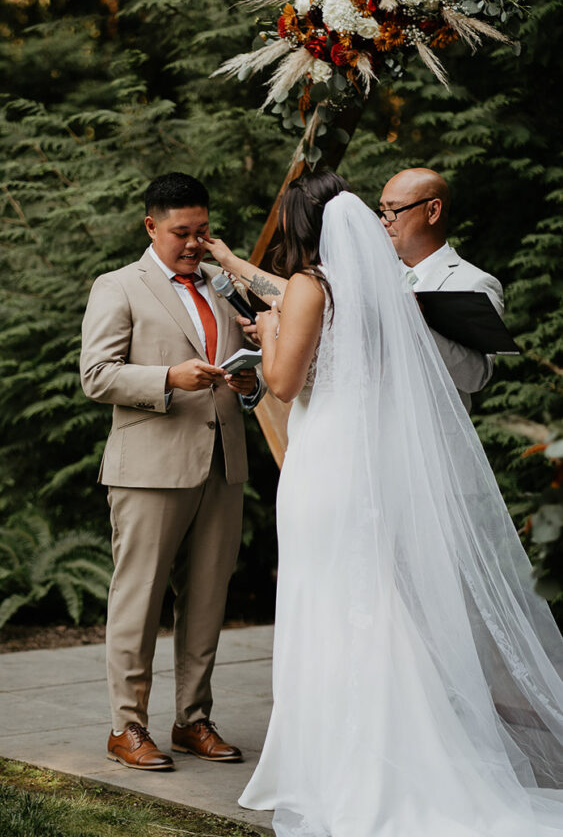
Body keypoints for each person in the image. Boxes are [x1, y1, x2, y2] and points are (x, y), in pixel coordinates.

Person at [211, 168, 563, 837]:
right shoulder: (362, 291)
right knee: (370, 609)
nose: (384, 223)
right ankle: (388, 753)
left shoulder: (317, 288)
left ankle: (346, 763)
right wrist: (255, 289)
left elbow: (284, 383)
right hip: (359, 461)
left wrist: (272, 332)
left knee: (334, 604)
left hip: (329, 463)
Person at [80, 172, 263, 771]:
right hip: (149, 468)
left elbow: (256, 368)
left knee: (208, 599)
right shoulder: (117, 285)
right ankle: (126, 727)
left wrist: (246, 381)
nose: (193, 243)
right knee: (139, 598)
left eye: (202, 231)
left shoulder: (221, 284)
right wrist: (167, 379)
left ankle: (193, 720)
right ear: (151, 226)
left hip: (222, 462)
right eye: (181, 232)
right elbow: (97, 375)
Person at [379, 167, 504, 411]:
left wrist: (416, 323)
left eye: (394, 210)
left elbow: (475, 377)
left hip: (436, 442)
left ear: (433, 211)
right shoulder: (375, 279)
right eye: (381, 211)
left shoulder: (475, 283)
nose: (385, 220)